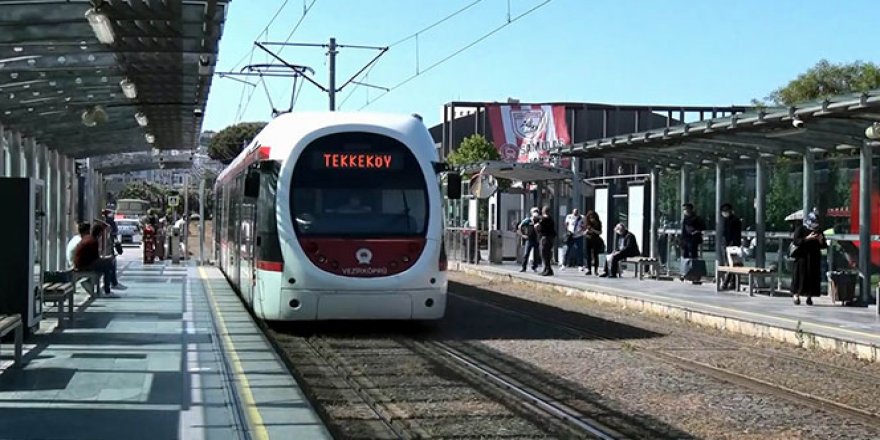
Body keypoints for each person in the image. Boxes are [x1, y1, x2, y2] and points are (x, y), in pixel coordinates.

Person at [74, 224, 125, 296]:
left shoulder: (89, 239)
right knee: (109, 265)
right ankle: (108, 290)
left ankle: (111, 285)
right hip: (84, 265)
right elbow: (95, 258)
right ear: (100, 233)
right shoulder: (93, 241)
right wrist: (105, 259)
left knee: (109, 262)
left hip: (82, 263)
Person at [790, 211, 827, 305]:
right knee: (800, 276)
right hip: (802, 257)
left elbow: (824, 245)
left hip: (813, 257)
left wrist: (820, 240)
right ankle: (796, 295)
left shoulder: (818, 231)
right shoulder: (801, 229)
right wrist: (807, 238)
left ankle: (809, 296)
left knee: (812, 277)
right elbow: (796, 241)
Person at [719, 203, 743, 290]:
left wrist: (730, 244)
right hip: (729, 245)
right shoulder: (728, 220)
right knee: (731, 264)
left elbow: (730, 234)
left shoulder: (733, 221)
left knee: (731, 264)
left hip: (731, 246)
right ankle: (731, 283)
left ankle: (726, 283)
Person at [517, 208, 541, 272]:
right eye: (534, 212)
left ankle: (534, 267)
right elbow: (520, 226)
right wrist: (523, 235)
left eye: (537, 212)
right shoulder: (528, 220)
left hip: (536, 239)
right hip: (529, 239)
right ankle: (523, 267)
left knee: (536, 254)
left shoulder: (540, 220)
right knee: (526, 253)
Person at [535, 206, 556, 276]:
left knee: (544, 254)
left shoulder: (544, 219)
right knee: (547, 254)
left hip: (545, 238)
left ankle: (548, 269)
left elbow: (538, 226)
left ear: (544, 211)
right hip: (550, 238)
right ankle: (547, 269)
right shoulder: (551, 218)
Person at [583, 211, 603, 275]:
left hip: (596, 239)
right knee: (588, 255)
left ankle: (596, 270)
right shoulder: (587, 223)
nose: (592, 219)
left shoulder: (598, 223)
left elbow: (600, 232)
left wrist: (593, 230)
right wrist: (586, 232)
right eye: (590, 217)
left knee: (595, 255)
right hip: (588, 239)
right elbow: (583, 233)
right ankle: (589, 269)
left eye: (593, 217)